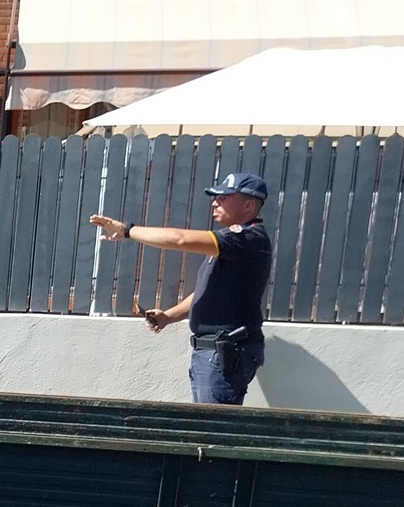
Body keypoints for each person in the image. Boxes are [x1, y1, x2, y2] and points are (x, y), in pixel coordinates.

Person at [91, 173, 273, 405]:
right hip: (215, 351)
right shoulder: (233, 242)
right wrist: (169, 316)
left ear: (248, 205)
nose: (215, 202)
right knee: (206, 428)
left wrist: (128, 231)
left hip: (223, 351)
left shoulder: (246, 238)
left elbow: (179, 240)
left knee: (211, 433)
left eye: (224, 197)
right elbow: (208, 290)